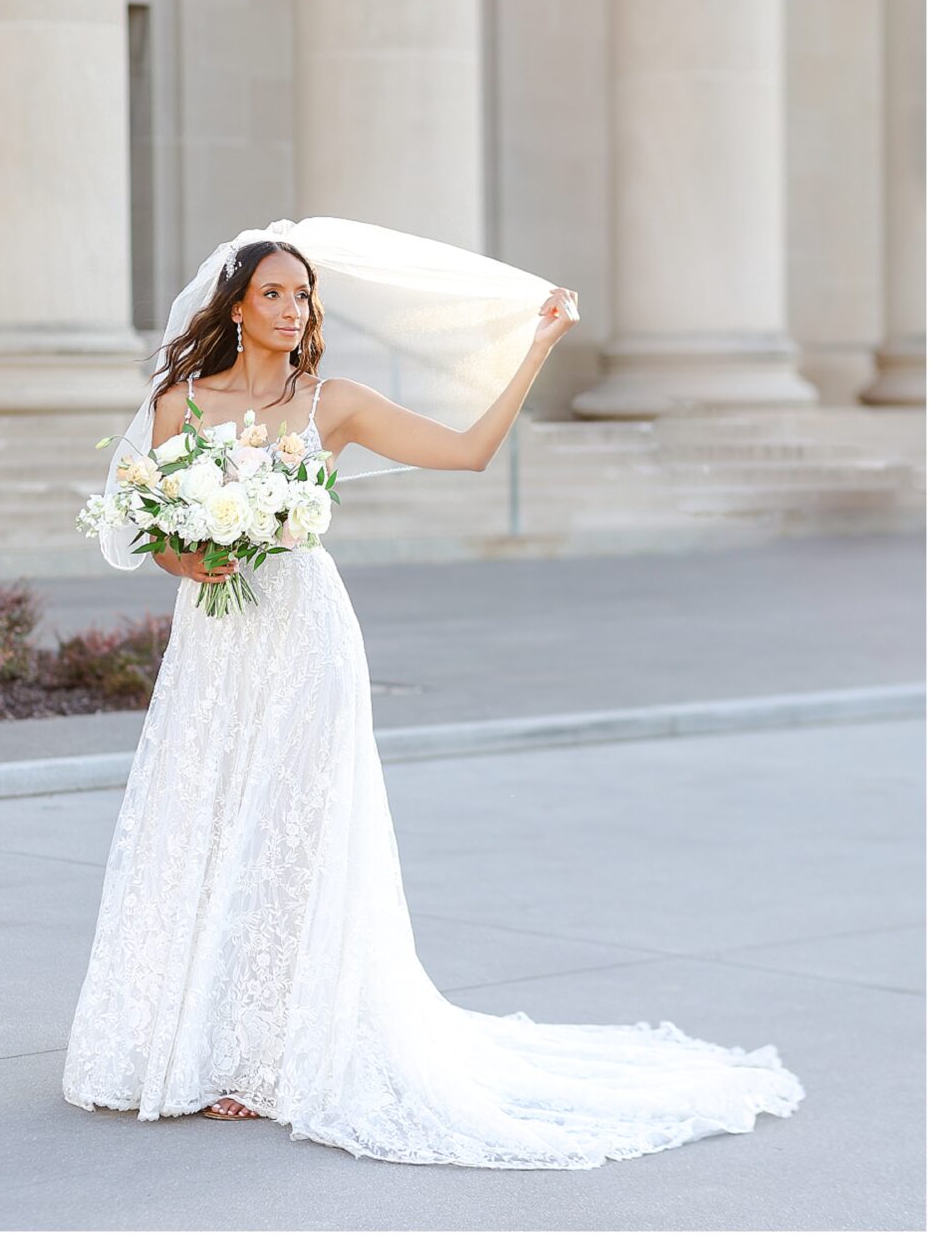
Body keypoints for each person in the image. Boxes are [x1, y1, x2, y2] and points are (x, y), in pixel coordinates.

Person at [61, 233, 805, 1169]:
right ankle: (183, 1037)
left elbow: (468, 452)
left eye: (304, 295)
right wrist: (190, 555)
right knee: (204, 817)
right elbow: (145, 528)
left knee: (295, 833)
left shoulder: (334, 404)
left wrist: (536, 348)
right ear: (237, 305)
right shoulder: (179, 403)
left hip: (305, 634)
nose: (293, 310)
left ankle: (263, 1055)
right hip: (216, 639)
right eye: (275, 293)